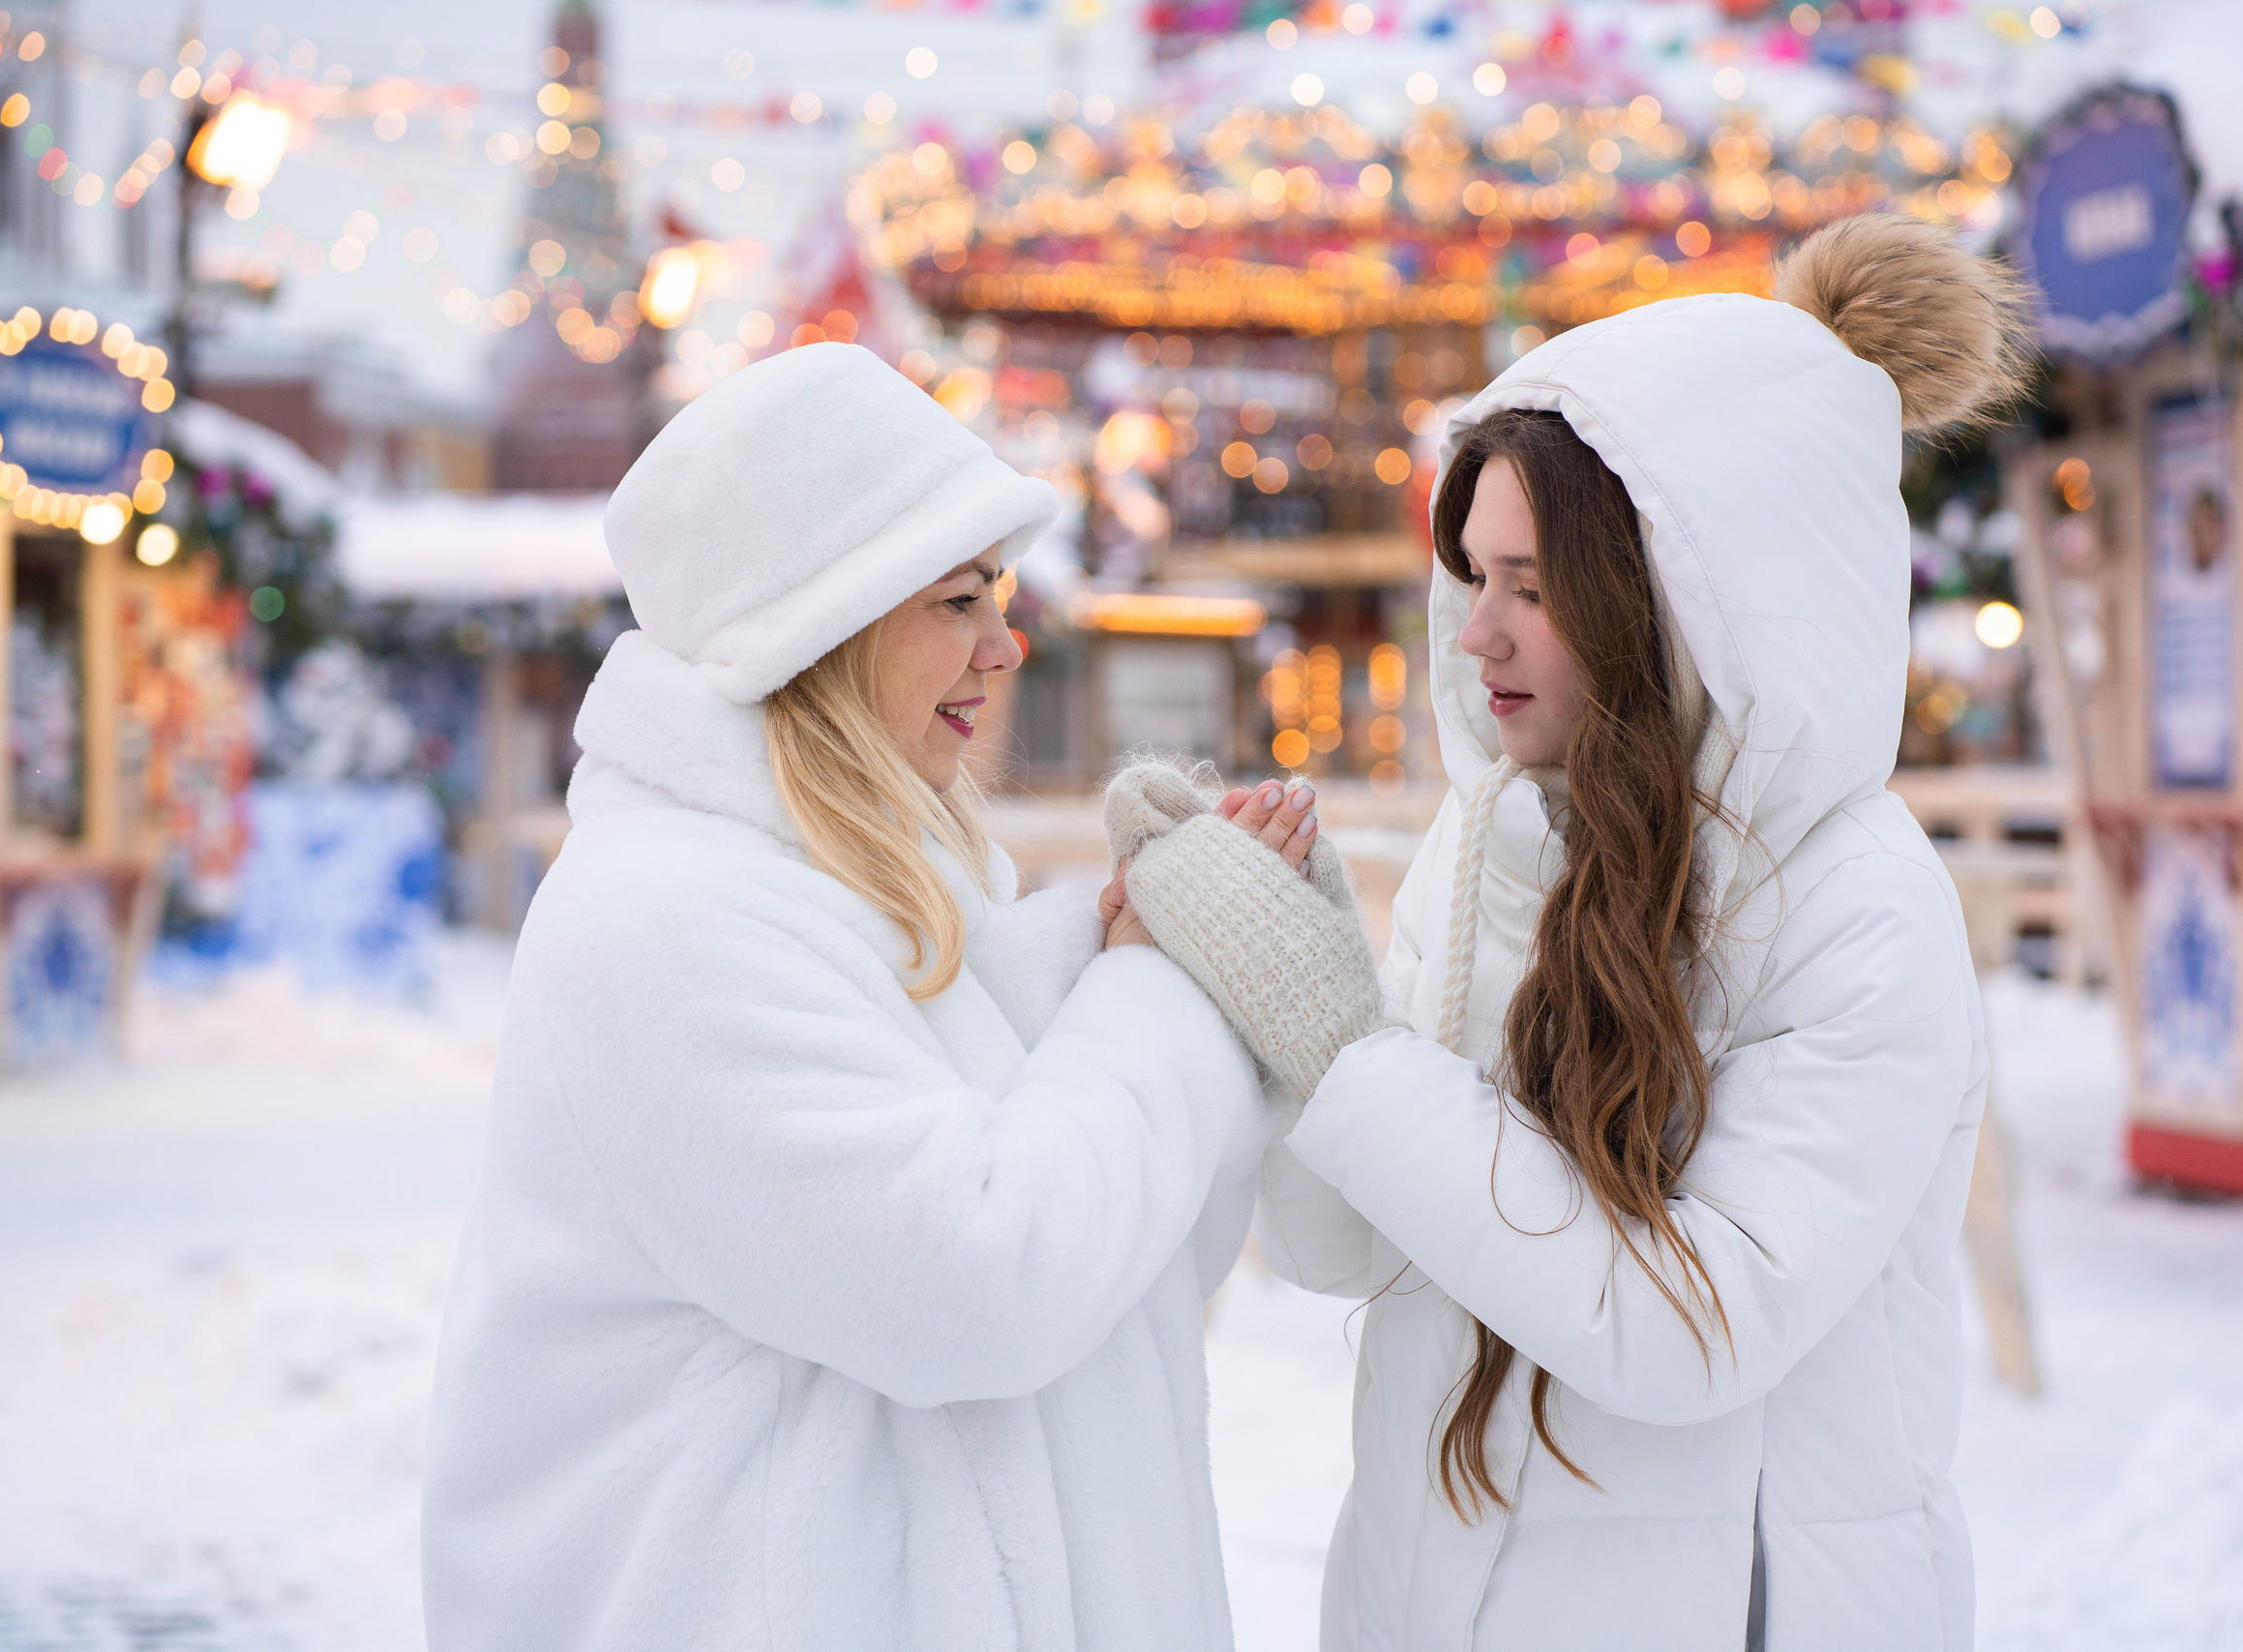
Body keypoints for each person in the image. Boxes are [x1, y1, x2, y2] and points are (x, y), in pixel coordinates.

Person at [421, 343, 1322, 1652]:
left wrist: (1178, 969)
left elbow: (1128, 1266)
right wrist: (1159, 993)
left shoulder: (890, 896)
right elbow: (980, 1280)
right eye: (958, 602)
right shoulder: (668, 925)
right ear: (824, 620)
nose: (1006, 648)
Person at [1212, 214, 2026, 1649]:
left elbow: (1684, 1327)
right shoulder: (1503, 836)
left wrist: (1349, 1059)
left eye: (1535, 589)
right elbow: (1347, 1245)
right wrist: (1300, 999)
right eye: (1475, 577)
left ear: (1685, 601)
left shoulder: (1857, 908)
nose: (1477, 635)